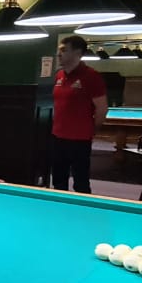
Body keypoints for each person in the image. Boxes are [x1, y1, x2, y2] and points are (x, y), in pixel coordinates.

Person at [51, 34, 108, 194]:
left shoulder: (91, 76)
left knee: (81, 182)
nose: (59, 54)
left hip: (80, 140)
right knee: (58, 180)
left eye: (64, 50)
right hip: (58, 137)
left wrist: (93, 129)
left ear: (77, 53)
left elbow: (102, 108)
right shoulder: (59, 75)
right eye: (59, 50)